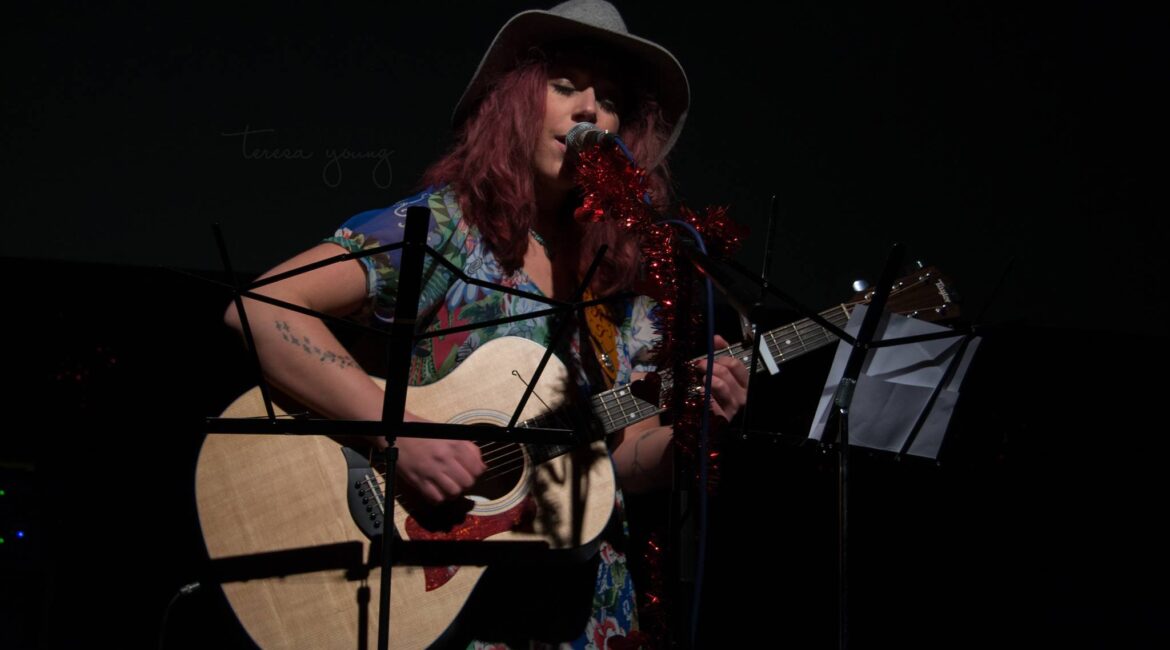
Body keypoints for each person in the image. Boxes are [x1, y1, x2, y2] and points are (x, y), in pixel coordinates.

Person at [223, 1, 748, 646]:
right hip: (453, 601)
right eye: (565, 87)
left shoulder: (617, 283)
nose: (590, 110)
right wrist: (399, 436)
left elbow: (622, 455)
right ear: (517, 103)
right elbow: (262, 307)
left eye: (609, 102)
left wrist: (695, 426)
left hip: (587, 612)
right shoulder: (446, 231)